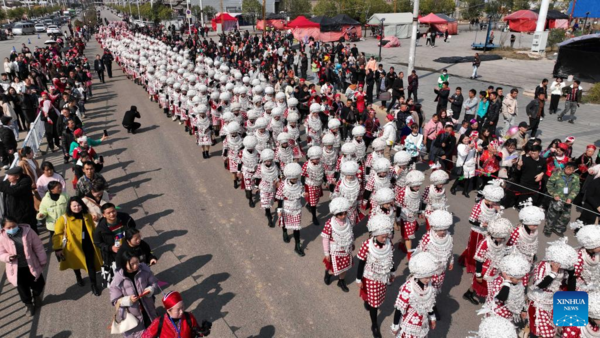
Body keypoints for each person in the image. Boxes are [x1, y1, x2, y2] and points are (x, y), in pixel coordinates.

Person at [52, 197, 103, 296]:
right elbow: (57, 234)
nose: (77, 208)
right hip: (74, 247)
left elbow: (93, 229)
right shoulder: (64, 218)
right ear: (69, 207)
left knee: (90, 264)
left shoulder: (87, 215)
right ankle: (78, 276)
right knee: (76, 264)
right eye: (74, 206)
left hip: (88, 244)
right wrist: (57, 248)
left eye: (79, 205)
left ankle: (93, 285)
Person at [527, 239, 577, 338]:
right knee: (543, 332)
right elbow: (540, 284)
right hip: (539, 302)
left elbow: (571, 290)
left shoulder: (563, 270)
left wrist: (572, 274)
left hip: (552, 302)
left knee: (551, 331)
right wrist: (553, 273)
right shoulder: (543, 266)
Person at [356, 216, 394, 338]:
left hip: (383, 276)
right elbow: (361, 262)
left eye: (386, 236)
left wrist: (392, 273)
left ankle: (369, 301)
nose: (385, 239)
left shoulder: (389, 244)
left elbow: (390, 259)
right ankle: (374, 324)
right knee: (374, 304)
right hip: (370, 276)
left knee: (378, 297)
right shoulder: (367, 245)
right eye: (382, 237)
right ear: (375, 234)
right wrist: (358, 278)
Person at [0, 216, 47, 317]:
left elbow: (38, 247)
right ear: (3, 228)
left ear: (18, 224)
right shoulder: (2, 237)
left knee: (38, 284)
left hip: (31, 265)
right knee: (22, 288)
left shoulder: (28, 232)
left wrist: (42, 259)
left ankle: (36, 296)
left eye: (14, 226)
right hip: (16, 269)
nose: (12, 229)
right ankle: (29, 304)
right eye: (8, 228)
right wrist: (8, 257)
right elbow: (1, 253)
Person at [462, 218, 512, 305]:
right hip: (484, 270)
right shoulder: (485, 243)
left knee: (490, 285)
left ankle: (470, 293)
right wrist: (478, 274)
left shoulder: (499, 242)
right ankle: (473, 295)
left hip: (495, 268)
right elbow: (478, 260)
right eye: (501, 237)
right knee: (481, 283)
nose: (503, 239)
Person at [459, 180, 504, 274]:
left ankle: (482, 265)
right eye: (494, 202)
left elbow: (498, 219)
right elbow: (471, 220)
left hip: (489, 232)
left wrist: (498, 211)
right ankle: (472, 265)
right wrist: (481, 224)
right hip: (478, 232)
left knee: (486, 250)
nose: (496, 204)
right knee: (475, 249)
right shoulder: (479, 206)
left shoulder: (495, 207)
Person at [110, 250, 158, 337]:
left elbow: (153, 282)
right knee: (138, 333)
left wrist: (150, 289)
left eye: (137, 261)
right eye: (132, 264)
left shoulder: (144, 270)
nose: (136, 265)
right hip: (132, 314)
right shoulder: (117, 280)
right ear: (124, 264)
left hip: (148, 307)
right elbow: (115, 301)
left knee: (152, 328)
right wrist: (127, 300)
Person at [390, 252, 439, 337]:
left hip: (422, 322)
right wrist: (395, 325)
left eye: (430, 277)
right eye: (426, 277)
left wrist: (432, 317)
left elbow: (430, 303)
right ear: (419, 274)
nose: (429, 280)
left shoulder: (429, 286)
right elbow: (399, 309)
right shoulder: (408, 288)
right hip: (409, 325)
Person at [94, 203, 137, 284]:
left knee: (133, 269)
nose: (112, 214)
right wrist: (111, 248)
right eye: (108, 213)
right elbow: (97, 243)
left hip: (129, 250)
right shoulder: (100, 229)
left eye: (113, 211)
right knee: (119, 276)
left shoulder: (125, 218)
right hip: (113, 256)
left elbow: (133, 228)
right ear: (103, 215)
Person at [483, 252, 530, 324]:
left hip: (509, 313)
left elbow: (520, 296)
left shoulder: (517, 282)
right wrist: (507, 281)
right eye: (517, 279)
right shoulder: (499, 281)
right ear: (508, 276)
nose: (520, 281)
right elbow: (502, 297)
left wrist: (523, 309)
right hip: (498, 313)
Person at [414, 210, 454, 293]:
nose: (443, 232)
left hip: (442, 268)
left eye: (445, 229)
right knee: (427, 287)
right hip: (429, 269)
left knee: (437, 286)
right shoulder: (428, 238)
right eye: (440, 230)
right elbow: (420, 252)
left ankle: (432, 300)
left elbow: (450, 250)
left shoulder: (449, 237)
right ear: (434, 228)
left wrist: (451, 261)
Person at [142, 291, 212, 338]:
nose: (181, 311)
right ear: (168, 311)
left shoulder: (189, 317)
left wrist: (202, 330)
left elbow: (196, 331)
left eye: (182, 307)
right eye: (178, 310)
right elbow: (145, 336)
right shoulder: (159, 322)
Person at [322, 197, 354, 292]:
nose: (343, 216)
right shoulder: (329, 224)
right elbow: (325, 239)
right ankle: (329, 274)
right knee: (336, 268)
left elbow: (351, 233)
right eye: (340, 214)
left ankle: (341, 280)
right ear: (335, 214)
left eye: (345, 213)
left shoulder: (348, 221)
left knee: (345, 267)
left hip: (347, 248)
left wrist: (352, 243)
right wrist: (326, 253)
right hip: (335, 250)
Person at [276, 162, 306, 256]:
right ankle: (284, 232)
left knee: (296, 228)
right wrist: (279, 209)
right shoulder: (283, 185)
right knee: (285, 223)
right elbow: (280, 198)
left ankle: (297, 246)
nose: (295, 179)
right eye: (293, 178)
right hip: (286, 207)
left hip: (296, 208)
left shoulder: (299, 183)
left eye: (296, 178)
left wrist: (303, 194)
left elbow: (299, 193)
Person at [546, 161, 580, 237]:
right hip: (557, 198)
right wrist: (554, 194)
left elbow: (576, 189)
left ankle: (557, 228)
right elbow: (549, 185)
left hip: (567, 200)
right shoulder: (557, 174)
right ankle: (547, 229)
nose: (569, 170)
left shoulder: (575, 177)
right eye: (568, 168)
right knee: (552, 215)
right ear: (565, 167)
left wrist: (570, 198)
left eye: (571, 169)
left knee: (566, 216)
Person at [0, 166, 37, 233]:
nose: (8, 177)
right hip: (12, 213)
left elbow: (14, 191)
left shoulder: (26, 181)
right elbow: (3, 184)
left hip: (25, 213)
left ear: (17, 177)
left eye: (10, 175)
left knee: (29, 231)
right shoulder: (9, 181)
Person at [571, 223, 600, 292]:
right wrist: (585, 288)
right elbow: (573, 277)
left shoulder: (596, 252)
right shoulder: (579, 258)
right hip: (584, 286)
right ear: (591, 247)